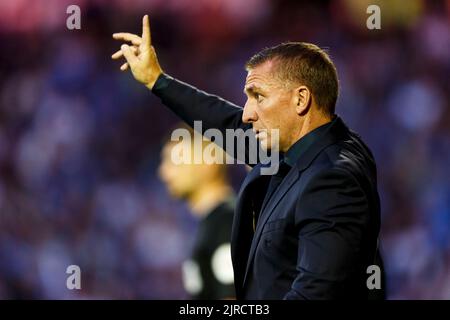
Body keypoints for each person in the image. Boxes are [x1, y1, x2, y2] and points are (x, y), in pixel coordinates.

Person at [112, 15, 385, 300]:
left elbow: (315, 295)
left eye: (259, 96)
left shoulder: (332, 180)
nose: (248, 112)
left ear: (301, 100)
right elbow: (227, 125)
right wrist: (158, 81)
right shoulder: (300, 151)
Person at [158, 126, 236, 299]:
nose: (163, 173)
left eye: (175, 161)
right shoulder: (211, 223)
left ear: (210, 161)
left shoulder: (228, 222)